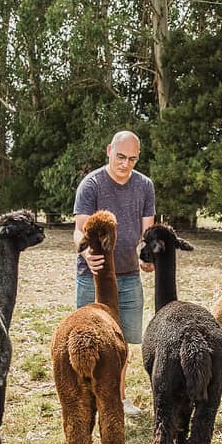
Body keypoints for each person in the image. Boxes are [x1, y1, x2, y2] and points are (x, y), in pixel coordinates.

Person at [73, 130, 155, 416]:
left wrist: (148, 255)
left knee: (122, 342)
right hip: (93, 276)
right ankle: (88, 400)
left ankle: (118, 400)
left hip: (129, 275)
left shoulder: (144, 186)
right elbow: (79, 230)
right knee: (88, 341)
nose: (125, 164)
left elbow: (147, 230)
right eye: (121, 157)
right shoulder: (92, 184)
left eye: (132, 159)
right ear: (109, 150)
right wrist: (86, 253)